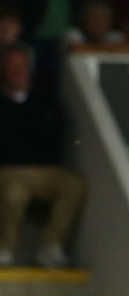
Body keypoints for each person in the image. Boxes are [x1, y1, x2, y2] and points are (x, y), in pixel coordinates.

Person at [0, 43, 82, 269]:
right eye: (13, 66)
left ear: (30, 69)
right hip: (9, 172)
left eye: (22, 66)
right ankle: (5, 250)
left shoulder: (45, 101)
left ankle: (50, 248)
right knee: (15, 191)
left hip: (43, 171)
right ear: (4, 69)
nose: (18, 72)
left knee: (73, 184)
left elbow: (54, 137)